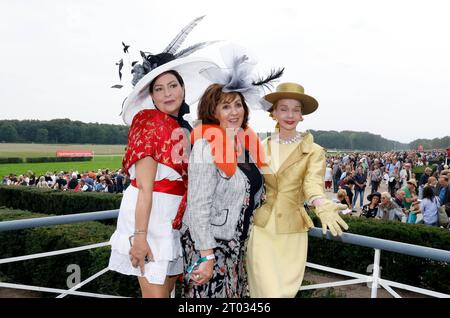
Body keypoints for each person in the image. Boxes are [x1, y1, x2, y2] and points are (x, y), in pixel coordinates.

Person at [108, 16, 218, 298]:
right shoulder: (148, 122)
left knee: (167, 293)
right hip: (150, 217)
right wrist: (140, 237)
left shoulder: (184, 126)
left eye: (173, 86)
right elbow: (145, 186)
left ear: (183, 89)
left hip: (173, 220)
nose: (167, 93)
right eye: (159, 88)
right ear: (151, 96)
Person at [181, 48, 282, 298]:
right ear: (212, 111)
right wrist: (207, 254)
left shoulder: (246, 148)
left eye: (238, 105)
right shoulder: (206, 146)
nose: (234, 112)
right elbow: (198, 205)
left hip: (237, 247)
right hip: (210, 247)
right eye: (226, 107)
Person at [245, 82, 349, 298]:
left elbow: (312, 184)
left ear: (302, 115)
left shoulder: (314, 151)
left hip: (291, 231)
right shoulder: (259, 146)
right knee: (261, 291)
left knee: (280, 293)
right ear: (273, 113)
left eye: (296, 109)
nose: (290, 114)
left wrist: (320, 203)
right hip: (262, 228)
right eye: (283, 108)